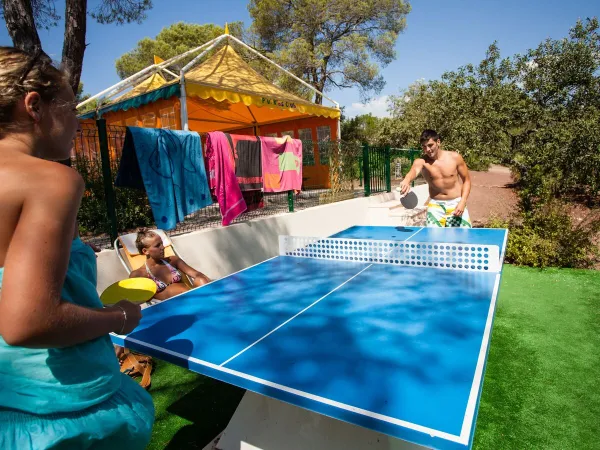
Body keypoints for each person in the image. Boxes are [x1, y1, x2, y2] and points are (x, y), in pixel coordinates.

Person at [0, 47, 154, 449]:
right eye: (70, 107)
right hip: (60, 408)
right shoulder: (52, 180)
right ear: (33, 105)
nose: (78, 121)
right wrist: (118, 317)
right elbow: (26, 322)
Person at [400, 129, 472, 228]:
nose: (427, 150)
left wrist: (462, 202)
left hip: (456, 203)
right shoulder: (422, 161)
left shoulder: (455, 158)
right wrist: (407, 180)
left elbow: (466, 180)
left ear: (438, 142)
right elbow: (414, 170)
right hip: (436, 206)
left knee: (463, 239)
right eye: (424, 147)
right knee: (434, 241)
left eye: (430, 145)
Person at [130, 228, 211, 302]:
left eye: (162, 243)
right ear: (145, 251)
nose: (163, 247)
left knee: (201, 279)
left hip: (191, 297)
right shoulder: (139, 274)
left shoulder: (172, 260)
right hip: (170, 309)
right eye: (157, 246)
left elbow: (197, 274)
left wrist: (202, 279)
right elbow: (138, 300)